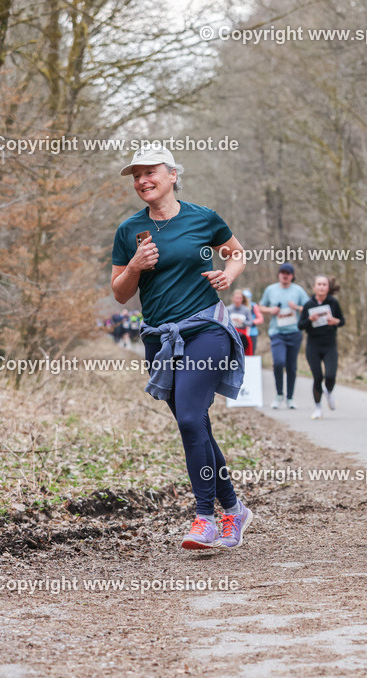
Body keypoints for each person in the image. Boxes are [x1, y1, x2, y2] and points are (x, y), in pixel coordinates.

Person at [110, 144, 254, 551]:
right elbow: (120, 294)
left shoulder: (203, 218)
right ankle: (233, 509)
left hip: (204, 329)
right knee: (197, 426)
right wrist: (136, 265)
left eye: (150, 171)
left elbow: (238, 254)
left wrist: (228, 274)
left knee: (191, 417)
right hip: (160, 339)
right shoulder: (128, 231)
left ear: (173, 174)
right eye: (136, 175)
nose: (142, 180)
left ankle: (205, 517)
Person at [258, 264, 308, 409]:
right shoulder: (271, 290)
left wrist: (297, 308)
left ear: (292, 276)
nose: (285, 275)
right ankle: (279, 395)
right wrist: (271, 310)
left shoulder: (298, 290)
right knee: (279, 362)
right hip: (277, 332)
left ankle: (290, 398)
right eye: (282, 273)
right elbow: (260, 307)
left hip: (294, 332)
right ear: (279, 274)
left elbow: (309, 308)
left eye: (288, 273)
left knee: (292, 366)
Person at [298, 276, 345, 419]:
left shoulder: (333, 303)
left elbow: (342, 321)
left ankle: (329, 392)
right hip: (313, 344)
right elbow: (300, 325)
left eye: (324, 284)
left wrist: (335, 321)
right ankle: (318, 408)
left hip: (329, 343)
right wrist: (309, 320)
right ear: (314, 287)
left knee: (330, 375)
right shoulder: (308, 305)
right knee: (317, 377)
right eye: (319, 284)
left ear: (328, 287)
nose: (322, 287)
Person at [228, 289, 255, 356]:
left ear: (242, 299)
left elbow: (250, 323)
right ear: (233, 298)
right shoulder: (228, 309)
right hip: (231, 333)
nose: (238, 300)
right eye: (236, 298)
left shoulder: (246, 310)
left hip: (243, 335)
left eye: (239, 298)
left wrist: (242, 321)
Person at [243, 288, 263, 355]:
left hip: (252, 333)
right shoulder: (238, 306)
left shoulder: (253, 306)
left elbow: (260, 318)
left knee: (251, 353)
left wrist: (252, 322)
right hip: (241, 332)